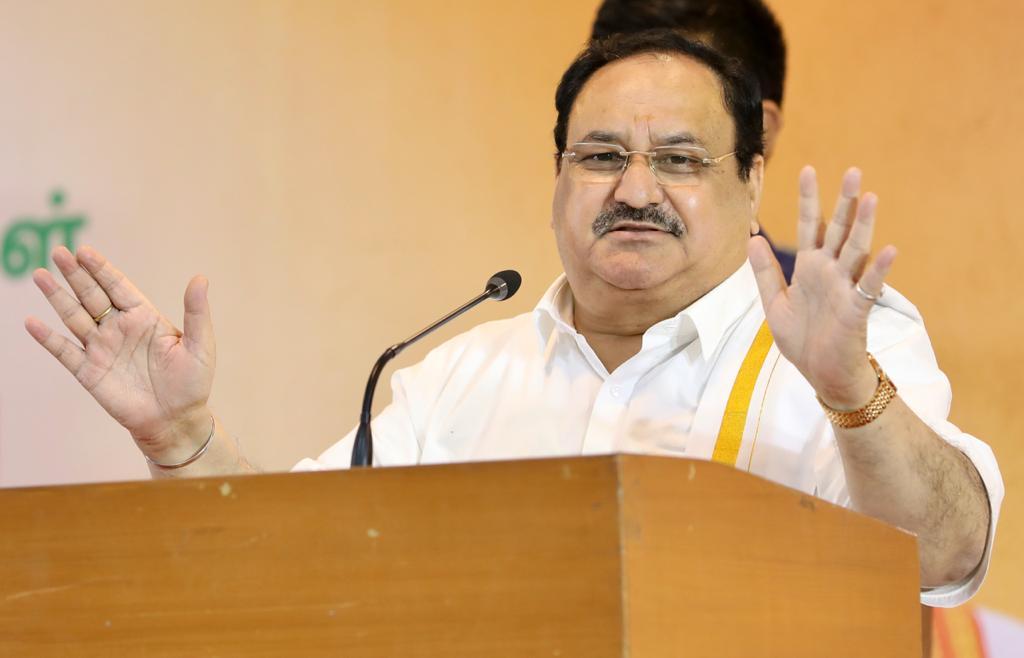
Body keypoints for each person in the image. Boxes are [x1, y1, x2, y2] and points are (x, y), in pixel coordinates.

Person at [25, 31, 1001, 608]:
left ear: (750, 180)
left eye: (679, 159)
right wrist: (186, 438)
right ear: (557, 176)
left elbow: (948, 551)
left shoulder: (840, 347)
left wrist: (848, 391)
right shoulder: (458, 375)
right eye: (599, 154)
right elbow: (291, 563)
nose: (633, 188)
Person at [591, 0, 796, 278]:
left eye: (677, 156)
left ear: (759, 133)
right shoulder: (545, 317)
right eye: (606, 154)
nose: (634, 193)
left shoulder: (826, 317)